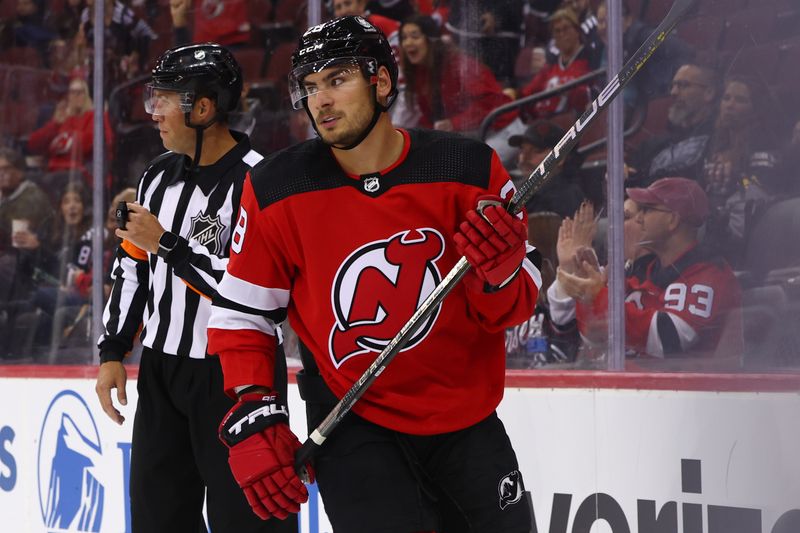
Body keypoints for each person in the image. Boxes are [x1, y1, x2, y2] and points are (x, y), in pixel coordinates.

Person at [207, 15, 540, 532]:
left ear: (381, 82)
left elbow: (514, 304)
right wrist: (253, 405)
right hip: (351, 423)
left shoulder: (468, 168)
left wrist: (498, 275)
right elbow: (242, 315)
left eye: (337, 80)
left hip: (466, 420)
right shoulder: (276, 187)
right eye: (310, 87)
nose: (321, 100)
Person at [93, 44, 295, 532]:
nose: (154, 113)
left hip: (237, 375)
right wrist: (114, 350)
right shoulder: (157, 175)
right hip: (162, 371)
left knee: (249, 517)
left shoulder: (261, 179)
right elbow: (131, 265)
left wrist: (168, 244)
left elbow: (254, 293)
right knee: (159, 518)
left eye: (164, 100)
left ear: (203, 108)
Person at [556, 177, 743, 360]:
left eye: (647, 210)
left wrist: (599, 295)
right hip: (640, 388)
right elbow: (594, 337)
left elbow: (669, 339)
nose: (639, 218)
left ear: (672, 220)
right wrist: (587, 292)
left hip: (691, 389)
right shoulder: (647, 272)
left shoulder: (709, 274)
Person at [627, 63, 719, 187]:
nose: (673, 92)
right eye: (673, 86)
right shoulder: (652, 144)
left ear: (709, 93)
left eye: (683, 85)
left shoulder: (718, 141)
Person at [27, 75, 114, 194]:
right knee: (30, 180)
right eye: (72, 92)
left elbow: (88, 145)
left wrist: (65, 139)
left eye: (80, 92)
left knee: (54, 181)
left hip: (81, 173)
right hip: (54, 172)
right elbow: (33, 145)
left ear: (87, 95)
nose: (75, 96)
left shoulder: (96, 116)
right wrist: (55, 124)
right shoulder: (60, 120)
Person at [518, 8, 599, 121]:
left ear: (577, 31)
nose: (562, 34)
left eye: (566, 29)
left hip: (571, 124)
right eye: (557, 31)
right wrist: (514, 94)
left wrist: (569, 91)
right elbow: (528, 92)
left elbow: (595, 93)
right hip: (540, 122)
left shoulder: (590, 58)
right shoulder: (550, 67)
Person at [508, 119, 587, 216]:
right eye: (522, 150)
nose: (523, 159)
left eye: (537, 151)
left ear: (561, 159)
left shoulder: (564, 199)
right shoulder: (517, 187)